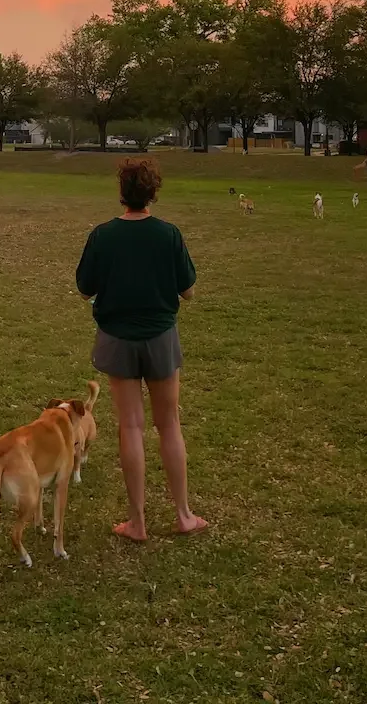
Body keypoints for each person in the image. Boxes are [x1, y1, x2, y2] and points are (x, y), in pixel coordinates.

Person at [75, 157, 207, 542]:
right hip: (161, 338)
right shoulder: (169, 235)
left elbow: (85, 289)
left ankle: (137, 522)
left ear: (122, 194)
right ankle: (183, 515)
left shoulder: (103, 235)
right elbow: (189, 290)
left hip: (117, 339)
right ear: (153, 192)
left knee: (130, 426)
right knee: (169, 425)